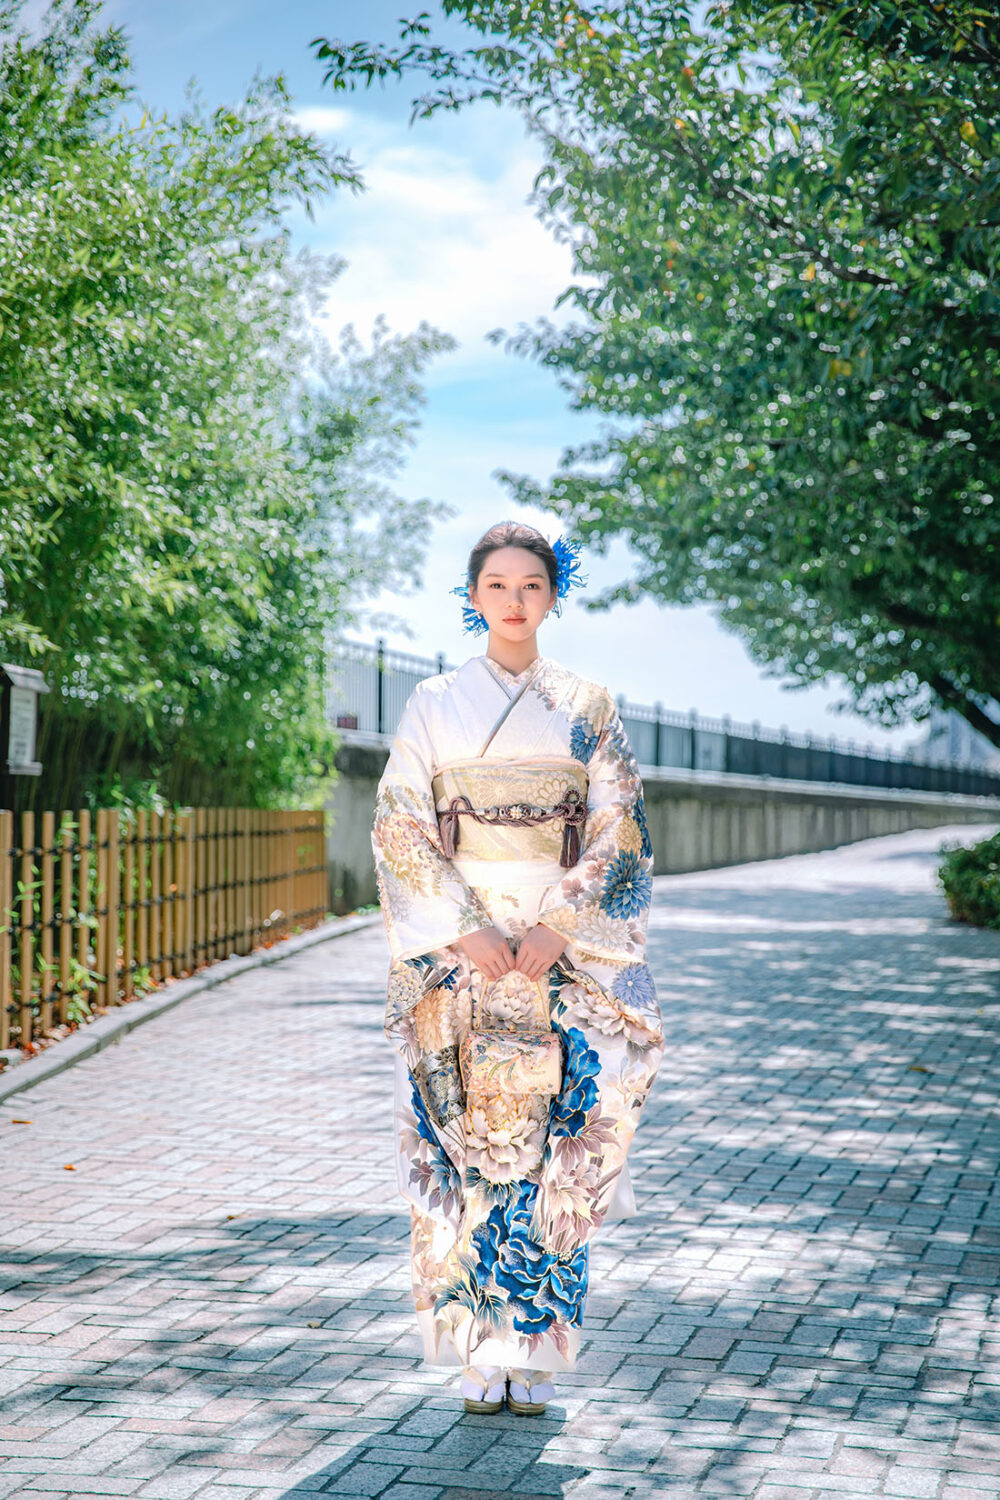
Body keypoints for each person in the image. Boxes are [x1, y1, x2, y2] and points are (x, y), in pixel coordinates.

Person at [370, 520, 664, 1416]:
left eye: (531, 584)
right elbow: (399, 822)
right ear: (472, 597)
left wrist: (560, 928)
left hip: (559, 962)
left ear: (553, 595)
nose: (514, 599)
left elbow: (620, 829)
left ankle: (531, 1349)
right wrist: (464, 931)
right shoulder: (433, 702)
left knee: (553, 1152)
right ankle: (473, 1348)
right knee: (462, 1148)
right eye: (496, 585)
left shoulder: (589, 705)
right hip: (460, 959)